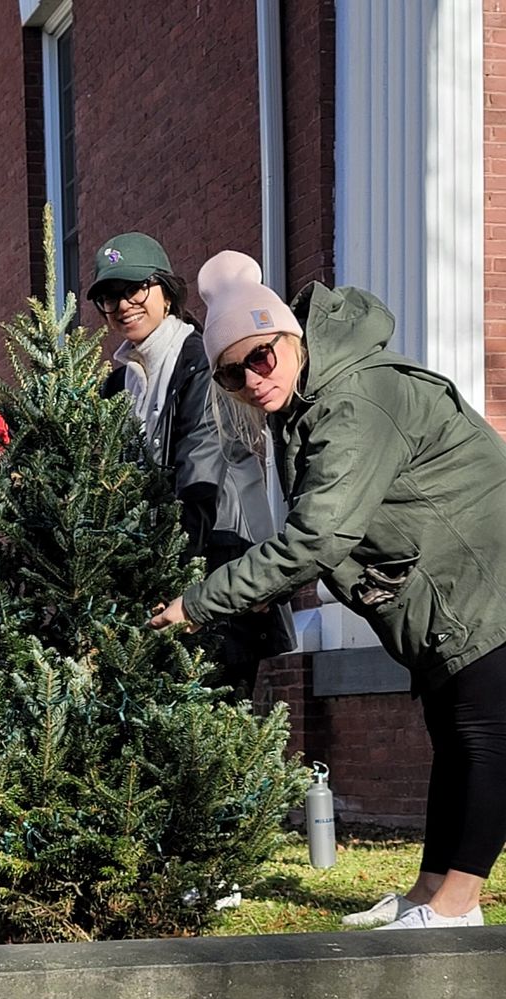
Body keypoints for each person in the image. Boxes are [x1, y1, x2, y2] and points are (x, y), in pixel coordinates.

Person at [150, 250, 506, 929]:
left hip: (488, 567)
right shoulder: (308, 396)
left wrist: (202, 600)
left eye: (261, 357)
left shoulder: (352, 400)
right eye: (232, 373)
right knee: (453, 734)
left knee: (479, 734)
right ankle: (429, 892)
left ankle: (457, 907)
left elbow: (318, 536)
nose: (253, 380)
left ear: (289, 338)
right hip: (449, 578)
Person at [87, 232, 291, 698]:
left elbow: (199, 480)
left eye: (135, 289)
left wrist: (169, 578)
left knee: (218, 724)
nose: (122, 305)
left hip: (220, 564)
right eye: (109, 296)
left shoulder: (203, 361)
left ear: (166, 291)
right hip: (159, 576)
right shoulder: (118, 384)